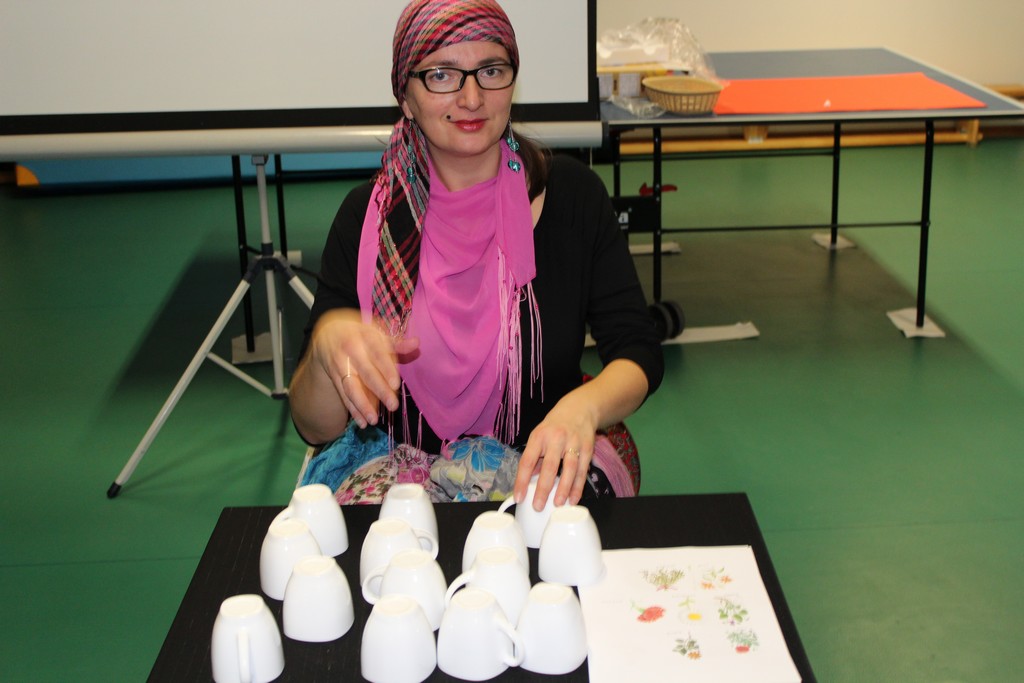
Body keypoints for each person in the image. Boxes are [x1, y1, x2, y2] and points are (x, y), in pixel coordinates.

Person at [289, 0, 663, 511]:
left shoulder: (573, 196)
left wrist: (584, 406)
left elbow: (638, 350)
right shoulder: (368, 218)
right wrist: (324, 348)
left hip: (536, 458)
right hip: (397, 469)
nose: (471, 97)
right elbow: (315, 426)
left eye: (491, 71)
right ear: (406, 97)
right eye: (442, 75)